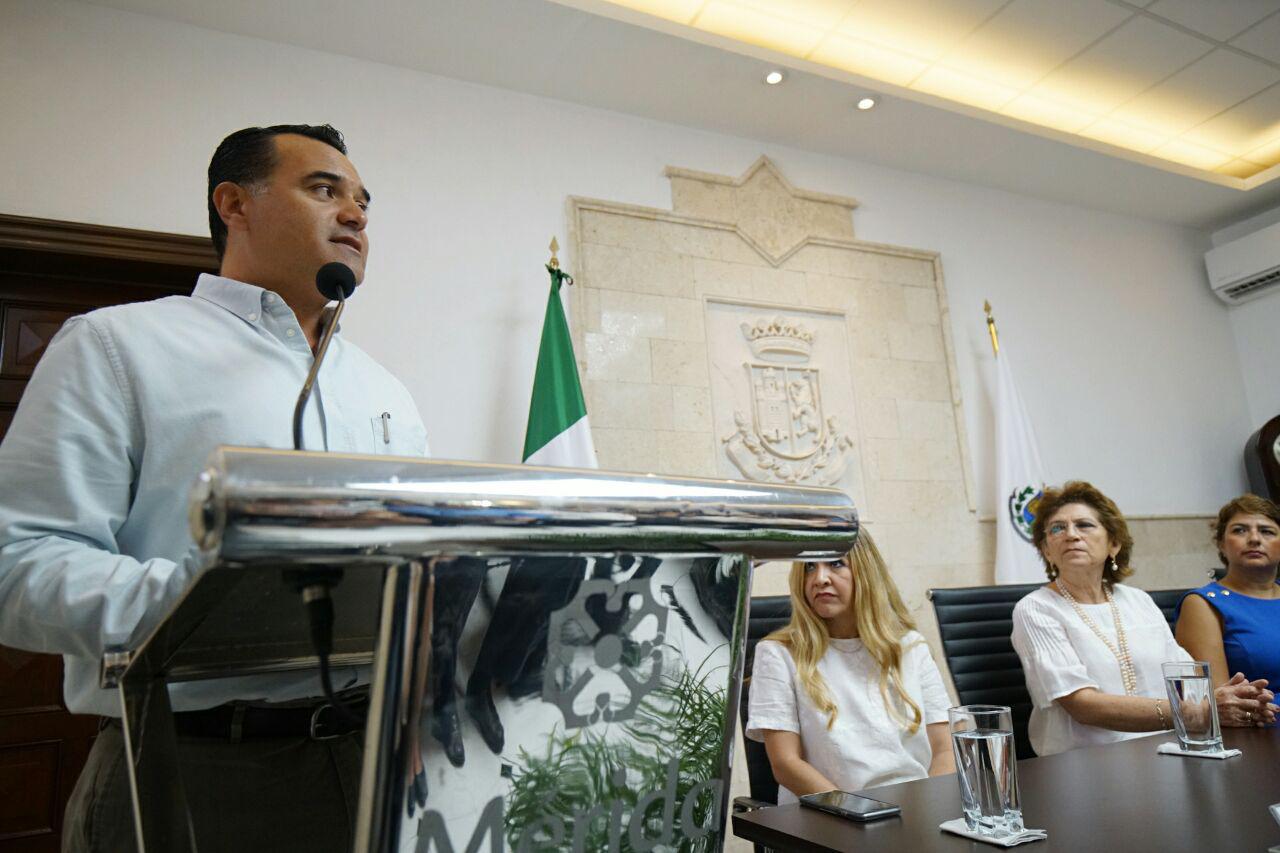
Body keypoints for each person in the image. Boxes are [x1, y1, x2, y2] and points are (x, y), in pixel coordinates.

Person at [0, 124, 429, 852]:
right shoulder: (116, 346)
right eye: (323, 189)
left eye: (363, 201)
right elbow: (19, 565)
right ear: (234, 204)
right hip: (185, 766)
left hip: (371, 763)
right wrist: (215, 603)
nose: (355, 215)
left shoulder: (385, 388)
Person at [1011, 481, 1275, 757]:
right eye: (1057, 528)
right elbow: (1082, 705)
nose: (1071, 535)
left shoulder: (1137, 600)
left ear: (1114, 544)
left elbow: (1187, 675)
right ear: (1047, 550)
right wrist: (1196, 712)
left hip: (1164, 750)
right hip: (1084, 761)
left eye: (1084, 525)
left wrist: (1240, 703)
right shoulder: (1035, 608)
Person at [746, 529, 955, 802]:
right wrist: (859, 813)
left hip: (916, 808)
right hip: (833, 814)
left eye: (836, 563)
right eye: (809, 567)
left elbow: (945, 749)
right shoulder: (777, 654)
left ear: (866, 572)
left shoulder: (910, 646)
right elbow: (786, 765)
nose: (820, 578)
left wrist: (932, 809)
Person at [1175, 494, 1280, 695]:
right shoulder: (1202, 604)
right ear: (1222, 544)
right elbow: (1217, 702)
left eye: (1267, 531)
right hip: (1260, 715)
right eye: (1240, 530)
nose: (1254, 539)